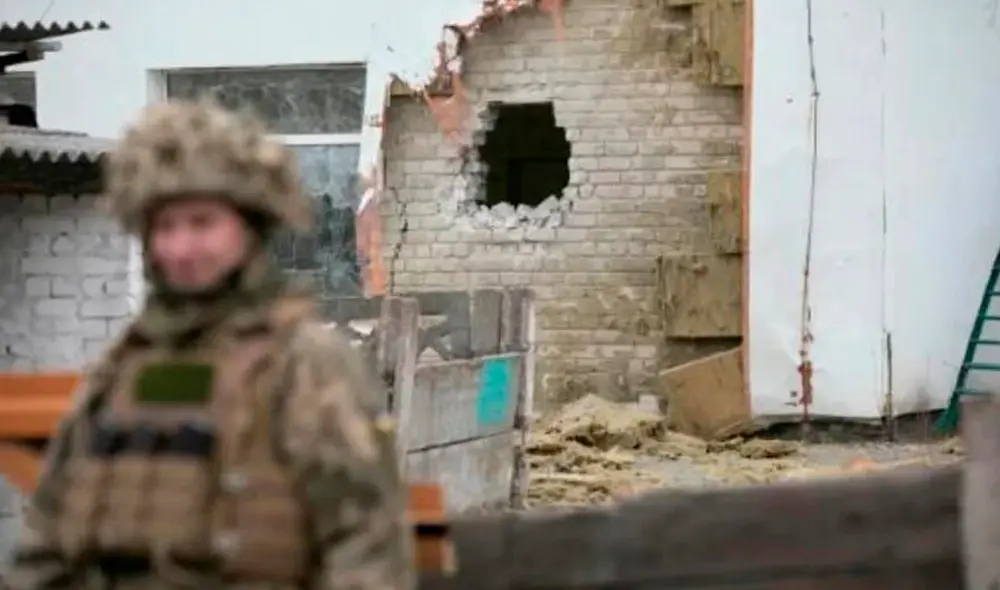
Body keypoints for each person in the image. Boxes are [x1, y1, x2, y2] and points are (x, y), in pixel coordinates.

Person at [5, 100, 415, 590]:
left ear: (250, 227)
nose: (181, 248)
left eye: (202, 223)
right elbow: (51, 536)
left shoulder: (306, 365)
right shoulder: (124, 368)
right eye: (165, 227)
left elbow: (366, 550)